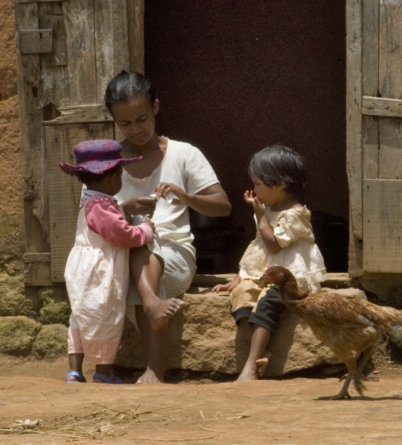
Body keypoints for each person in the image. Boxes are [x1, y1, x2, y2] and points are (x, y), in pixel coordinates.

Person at [104, 70, 232, 384]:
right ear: (114, 120)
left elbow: (223, 206)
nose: (136, 129)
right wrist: (123, 208)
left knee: (146, 243)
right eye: (125, 123)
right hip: (121, 256)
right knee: (138, 238)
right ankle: (151, 308)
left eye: (142, 118)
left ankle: (152, 366)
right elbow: (88, 215)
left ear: (156, 108)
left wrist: (187, 197)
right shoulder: (106, 162)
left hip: (175, 256)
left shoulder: (183, 154)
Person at [213, 144, 326, 382]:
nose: (254, 190)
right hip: (265, 271)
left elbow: (273, 244)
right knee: (241, 294)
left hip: (289, 276)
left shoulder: (296, 214)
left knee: (267, 300)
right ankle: (262, 352)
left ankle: (251, 365)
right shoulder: (268, 210)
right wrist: (240, 276)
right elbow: (259, 245)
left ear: (281, 183)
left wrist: (260, 215)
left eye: (258, 184)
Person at [60, 139, 155, 384]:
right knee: (105, 315)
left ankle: (74, 371)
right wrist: (146, 230)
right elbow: (122, 235)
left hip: (83, 269)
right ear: (112, 178)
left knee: (81, 315)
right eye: (120, 175)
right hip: (100, 272)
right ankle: (103, 372)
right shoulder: (102, 205)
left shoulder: (89, 201)